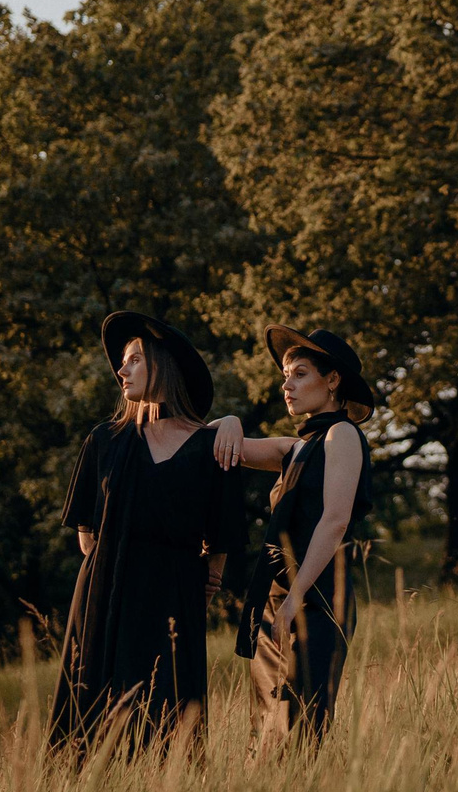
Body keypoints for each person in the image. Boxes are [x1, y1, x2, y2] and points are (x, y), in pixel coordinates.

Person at [47, 311, 249, 760]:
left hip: (174, 599)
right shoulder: (104, 440)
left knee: (167, 716)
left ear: (164, 364)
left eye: (135, 360)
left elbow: (222, 539)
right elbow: (86, 535)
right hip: (105, 596)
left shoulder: (211, 446)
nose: (122, 371)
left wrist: (203, 586)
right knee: (93, 720)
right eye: (123, 362)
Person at [209, 326, 378, 746]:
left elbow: (334, 521)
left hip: (315, 600)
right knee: (268, 731)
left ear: (332, 380)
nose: (287, 386)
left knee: (302, 728)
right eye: (286, 376)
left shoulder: (342, 436)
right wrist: (229, 420)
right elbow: (216, 444)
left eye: (300, 374)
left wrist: (293, 601)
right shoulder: (295, 448)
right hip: (276, 601)